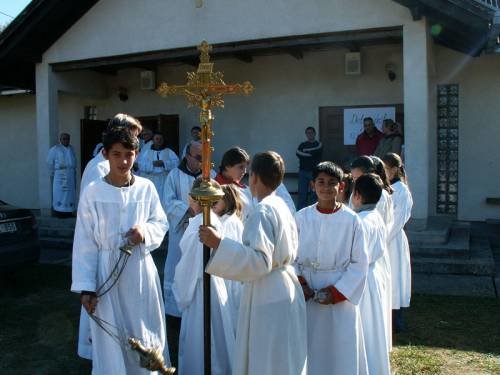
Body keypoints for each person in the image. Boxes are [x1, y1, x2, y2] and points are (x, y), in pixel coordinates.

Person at [71, 126, 170, 374]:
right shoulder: (93, 192)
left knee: (143, 330)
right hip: (106, 273)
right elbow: (84, 242)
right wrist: (86, 288)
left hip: (139, 271)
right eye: (116, 154)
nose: (123, 161)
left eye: (129, 153)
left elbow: (160, 222)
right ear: (105, 154)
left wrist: (145, 231)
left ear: (137, 154)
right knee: (111, 340)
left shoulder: (146, 188)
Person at [199, 151, 307, 375]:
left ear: (254, 177)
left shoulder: (263, 210)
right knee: (283, 355)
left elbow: (260, 261)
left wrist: (220, 243)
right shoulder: (281, 205)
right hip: (284, 283)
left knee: (267, 357)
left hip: (268, 291)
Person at [76, 114, 143, 361]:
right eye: (133, 134)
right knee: (107, 317)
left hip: (129, 257)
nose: (135, 141)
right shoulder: (101, 169)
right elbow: (95, 223)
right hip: (107, 253)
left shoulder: (126, 171)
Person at [295, 161, 368, 375]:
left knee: (340, 347)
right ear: (312, 185)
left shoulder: (352, 221)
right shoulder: (301, 218)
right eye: (321, 182)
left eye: (332, 183)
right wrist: (301, 283)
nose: (326, 188)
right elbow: (289, 256)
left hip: (339, 291)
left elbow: (359, 263)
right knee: (308, 346)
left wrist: (336, 293)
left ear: (342, 187)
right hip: (307, 290)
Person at [173, 178, 235, 375]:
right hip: (216, 284)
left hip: (199, 288)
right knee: (218, 336)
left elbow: (189, 266)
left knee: (202, 339)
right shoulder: (214, 220)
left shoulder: (201, 224)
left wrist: (181, 291)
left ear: (193, 198)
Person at [161, 141, 215, 348]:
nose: (203, 162)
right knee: (177, 267)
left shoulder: (210, 174)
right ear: (188, 157)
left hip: (203, 232)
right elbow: (168, 201)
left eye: (205, 158)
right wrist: (189, 210)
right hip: (182, 232)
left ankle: (199, 310)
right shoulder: (174, 175)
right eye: (199, 157)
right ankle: (175, 315)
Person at [350, 155, 394, 351]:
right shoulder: (373, 216)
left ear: (357, 196)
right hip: (373, 274)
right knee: (373, 327)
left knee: (365, 329)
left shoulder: (362, 222)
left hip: (364, 277)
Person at [382, 152, 413, 333]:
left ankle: (397, 320)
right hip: (383, 241)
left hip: (392, 240)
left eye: (386, 169)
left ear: (394, 169)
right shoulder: (385, 188)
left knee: (395, 278)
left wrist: (381, 239)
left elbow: (397, 219)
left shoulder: (402, 190)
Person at [80, 114, 143, 194]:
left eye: (136, 137)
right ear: (116, 133)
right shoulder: (99, 169)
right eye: (132, 136)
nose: (136, 141)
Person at [215, 147, 253, 221]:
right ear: (227, 166)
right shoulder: (213, 190)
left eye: (245, 167)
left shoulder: (245, 189)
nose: (245, 171)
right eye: (241, 167)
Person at [137, 132, 179, 197]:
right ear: (153, 140)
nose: (159, 140)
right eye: (157, 139)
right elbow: (140, 164)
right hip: (151, 180)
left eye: (161, 139)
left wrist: (164, 163)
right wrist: (152, 164)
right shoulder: (147, 152)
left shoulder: (169, 151)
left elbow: (176, 163)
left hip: (164, 180)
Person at [47, 133, 77, 217]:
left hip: (70, 175)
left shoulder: (71, 148)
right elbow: (49, 162)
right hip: (60, 175)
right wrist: (53, 172)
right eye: (64, 139)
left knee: (70, 194)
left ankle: (69, 211)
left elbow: (74, 160)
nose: (66, 140)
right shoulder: (55, 149)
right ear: (60, 140)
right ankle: (59, 212)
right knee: (59, 193)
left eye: (67, 139)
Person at [296, 126, 322, 210]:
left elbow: (316, 152)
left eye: (311, 132)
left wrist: (305, 152)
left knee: (314, 195)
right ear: (306, 134)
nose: (309, 134)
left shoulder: (319, 144)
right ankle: (300, 215)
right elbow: (298, 153)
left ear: (315, 133)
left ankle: (314, 213)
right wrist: (310, 154)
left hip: (313, 174)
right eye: (308, 133)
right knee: (302, 195)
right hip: (303, 172)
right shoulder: (302, 144)